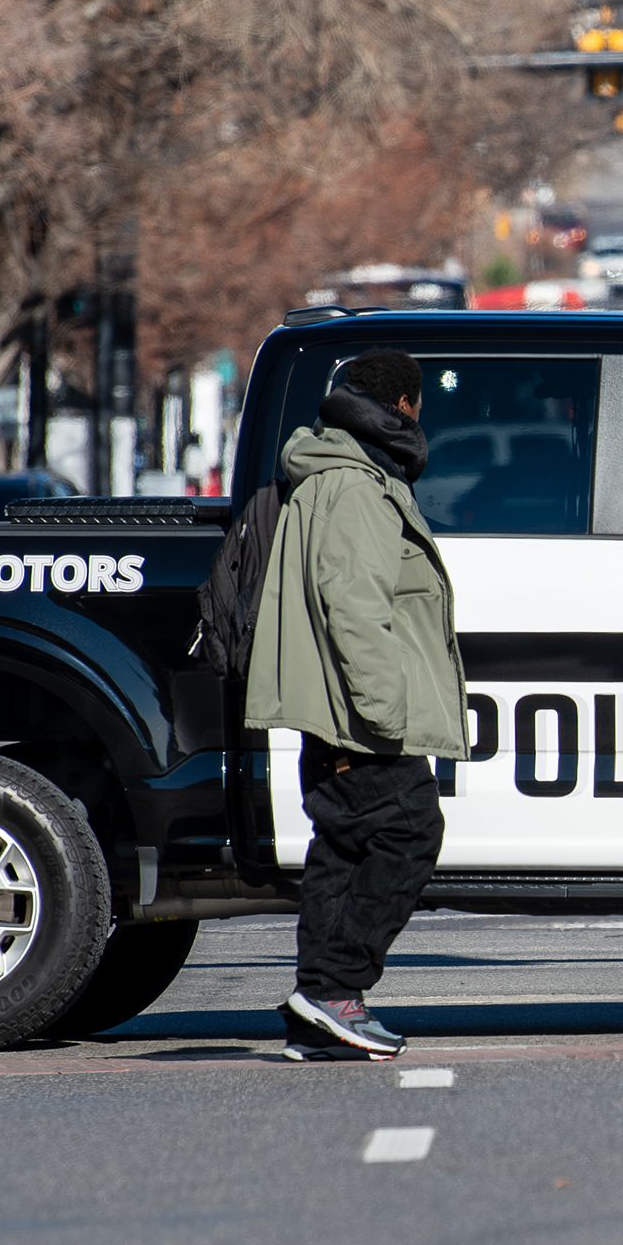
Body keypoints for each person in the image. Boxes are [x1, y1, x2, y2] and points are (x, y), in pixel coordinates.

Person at [246, 350, 464, 1060]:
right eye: (418, 405)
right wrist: (385, 714)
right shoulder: (356, 487)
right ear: (404, 406)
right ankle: (336, 988)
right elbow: (356, 607)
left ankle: (321, 1009)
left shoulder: (335, 473)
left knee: (342, 847)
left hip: (336, 709)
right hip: (357, 715)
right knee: (409, 832)